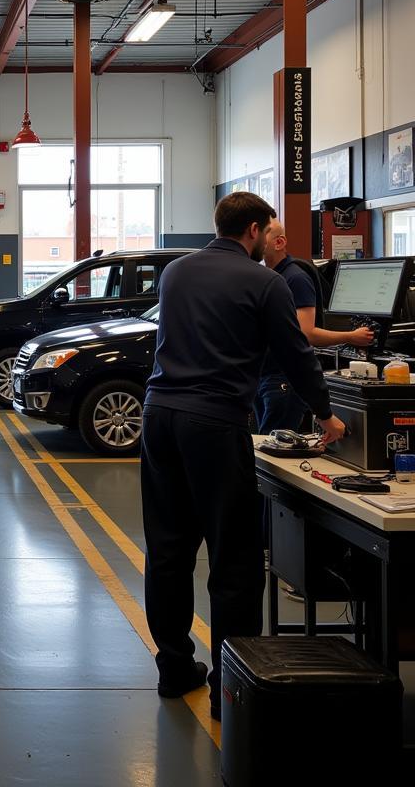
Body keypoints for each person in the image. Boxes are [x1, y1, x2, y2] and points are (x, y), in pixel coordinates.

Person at [140, 192, 346, 720]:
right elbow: (296, 353)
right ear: (254, 230)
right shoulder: (266, 281)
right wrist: (326, 416)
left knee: (168, 549)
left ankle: (173, 668)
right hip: (213, 423)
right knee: (233, 558)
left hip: (159, 415)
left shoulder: (176, 273)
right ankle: (225, 689)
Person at [255, 219, 374, 434]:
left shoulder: (296, 279)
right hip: (263, 376)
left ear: (279, 242)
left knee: (273, 449)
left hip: (284, 379)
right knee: (262, 449)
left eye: (263, 235)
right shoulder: (269, 278)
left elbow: (306, 333)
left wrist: (351, 335)